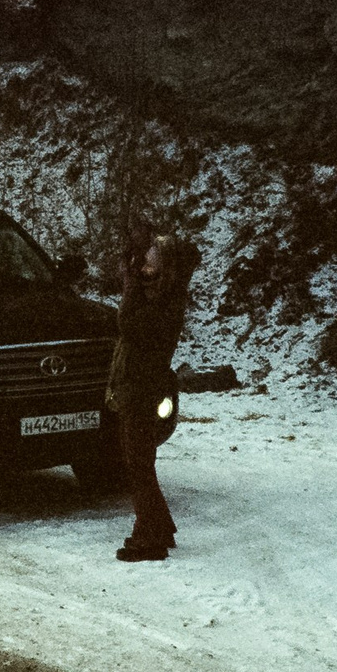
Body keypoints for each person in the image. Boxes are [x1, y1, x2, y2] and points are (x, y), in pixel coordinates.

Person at [107, 222, 197, 562]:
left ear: (166, 268)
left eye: (151, 260)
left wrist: (130, 284)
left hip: (143, 386)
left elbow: (129, 324)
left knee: (138, 464)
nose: (144, 265)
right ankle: (160, 525)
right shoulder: (161, 294)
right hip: (140, 384)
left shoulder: (165, 300)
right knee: (139, 462)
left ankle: (149, 538)